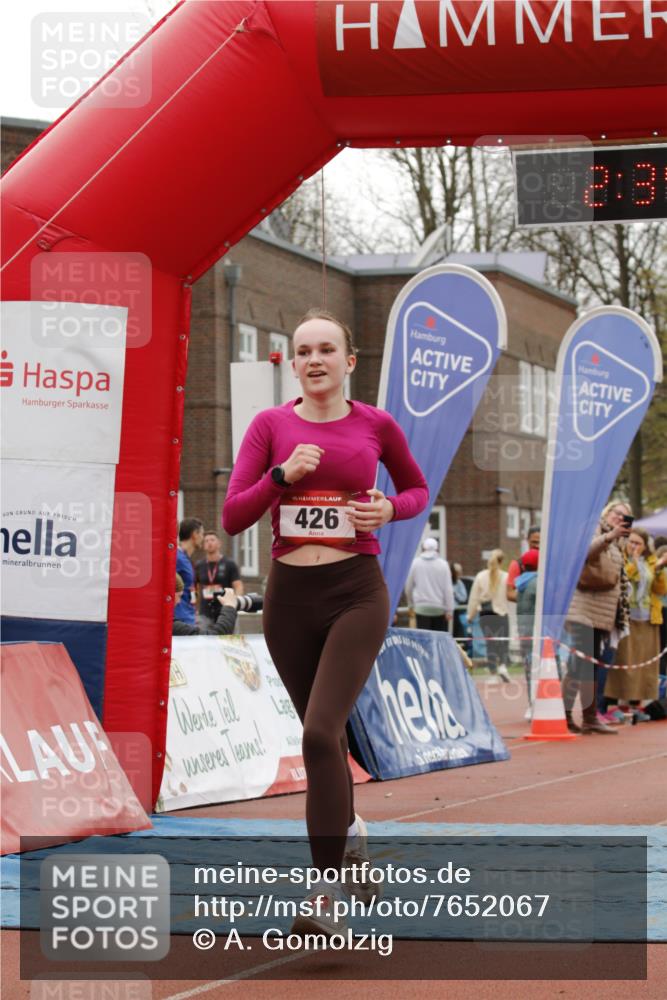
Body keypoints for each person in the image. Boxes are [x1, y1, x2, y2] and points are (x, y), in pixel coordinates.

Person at [222, 308, 428, 937]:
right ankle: (353, 834)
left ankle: (323, 895)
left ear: (349, 362)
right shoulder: (271, 425)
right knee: (328, 742)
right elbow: (232, 515)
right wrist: (281, 478)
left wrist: (389, 509)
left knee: (318, 732)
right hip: (290, 597)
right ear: (294, 362)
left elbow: (417, 491)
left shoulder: (375, 425)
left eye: (326, 350)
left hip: (355, 592)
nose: (314, 360)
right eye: (303, 351)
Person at [562, 500, 632, 734]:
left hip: (602, 612)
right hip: (583, 609)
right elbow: (585, 553)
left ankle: (589, 716)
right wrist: (610, 536)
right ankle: (567, 714)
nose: (620, 519)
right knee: (579, 663)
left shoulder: (619, 543)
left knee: (590, 665)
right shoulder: (594, 529)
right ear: (607, 512)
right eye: (617, 513)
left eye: (625, 517)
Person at [604, 527, 667, 720]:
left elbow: (660, 588)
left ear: (645, 545)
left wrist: (659, 570)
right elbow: (627, 577)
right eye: (631, 542)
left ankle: (638, 705)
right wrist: (635, 561)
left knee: (643, 665)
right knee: (625, 662)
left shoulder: (650, 561)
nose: (634, 546)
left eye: (638, 543)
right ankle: (616, 705)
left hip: (648, 617)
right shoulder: (621, 559)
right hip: (626, 617)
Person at [467, 549, 511, 683]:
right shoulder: (506, 576)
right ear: (502, 561)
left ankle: (493, 673)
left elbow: (474, 598)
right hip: (501, 613)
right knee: (503, 641)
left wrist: (470, 615)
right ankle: (503, 665)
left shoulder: (480, 576)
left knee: (490, 643)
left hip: (485, 614)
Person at [194, 530, 243, 623]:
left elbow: (238, 586)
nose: (209, 543)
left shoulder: (229, 564)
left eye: (212, 540)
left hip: (225, 612)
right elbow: (195, 587)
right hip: (205, 613)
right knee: (204, 637)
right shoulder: (199, 565)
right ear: (204, 546)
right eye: (206, 541)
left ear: (219, 543)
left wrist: (235, 603)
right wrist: (194, 607)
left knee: (227, 637)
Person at [405, 538, 454, 631]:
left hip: (420, 608)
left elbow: (408, 587)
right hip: (439, 609)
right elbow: (448, 589)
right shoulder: (443, 565)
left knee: (423, 641)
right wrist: (449, 610)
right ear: (437, 549)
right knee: (438, 641)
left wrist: (411, 604)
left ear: (423, 548)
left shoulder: (415, 563)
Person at [515, 546, 539, 713]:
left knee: (529, 667)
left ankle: (532, 703)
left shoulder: (521, 583)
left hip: (523, 630)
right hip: (535, 632)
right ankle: (538, 702)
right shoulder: (537, 583)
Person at [172, 575, 238, 635]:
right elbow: (215, 638)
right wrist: (229, 606)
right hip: (205, 613)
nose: (179, 601)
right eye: (179, 596)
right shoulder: (169, 625)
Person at [174, 518, 204, 626]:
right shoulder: (177, 557)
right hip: (181, 619)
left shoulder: (185, 558)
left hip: (189, 616)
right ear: (195, 534)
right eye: (202, 534)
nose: (202, 538)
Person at [506, 525, 540, 602]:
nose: (537, 546)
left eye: (540, 542)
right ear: (527, 541)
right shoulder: (517, 564)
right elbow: (509, 593)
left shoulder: (550, 564)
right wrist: (529, 599)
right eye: (534, 542)